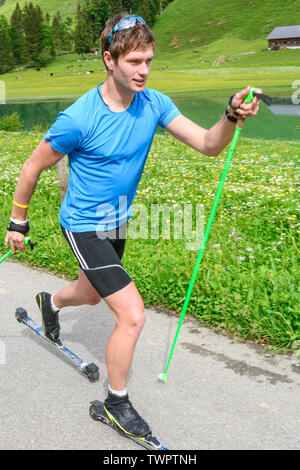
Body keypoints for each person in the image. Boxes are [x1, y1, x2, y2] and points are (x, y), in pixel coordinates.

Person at [5, 13, 261, 438]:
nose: (143, 70)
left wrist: (231, 114)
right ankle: (115, 403)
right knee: (132, 315)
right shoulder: (78, 118)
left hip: (118, 221)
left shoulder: (154, 103)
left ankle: (50, 303)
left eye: (149, 61)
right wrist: (18, 222)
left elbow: (208, 145)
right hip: (84, 225)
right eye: (134, 61)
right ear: (109, 59)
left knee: (89, 292)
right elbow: (31, 167)